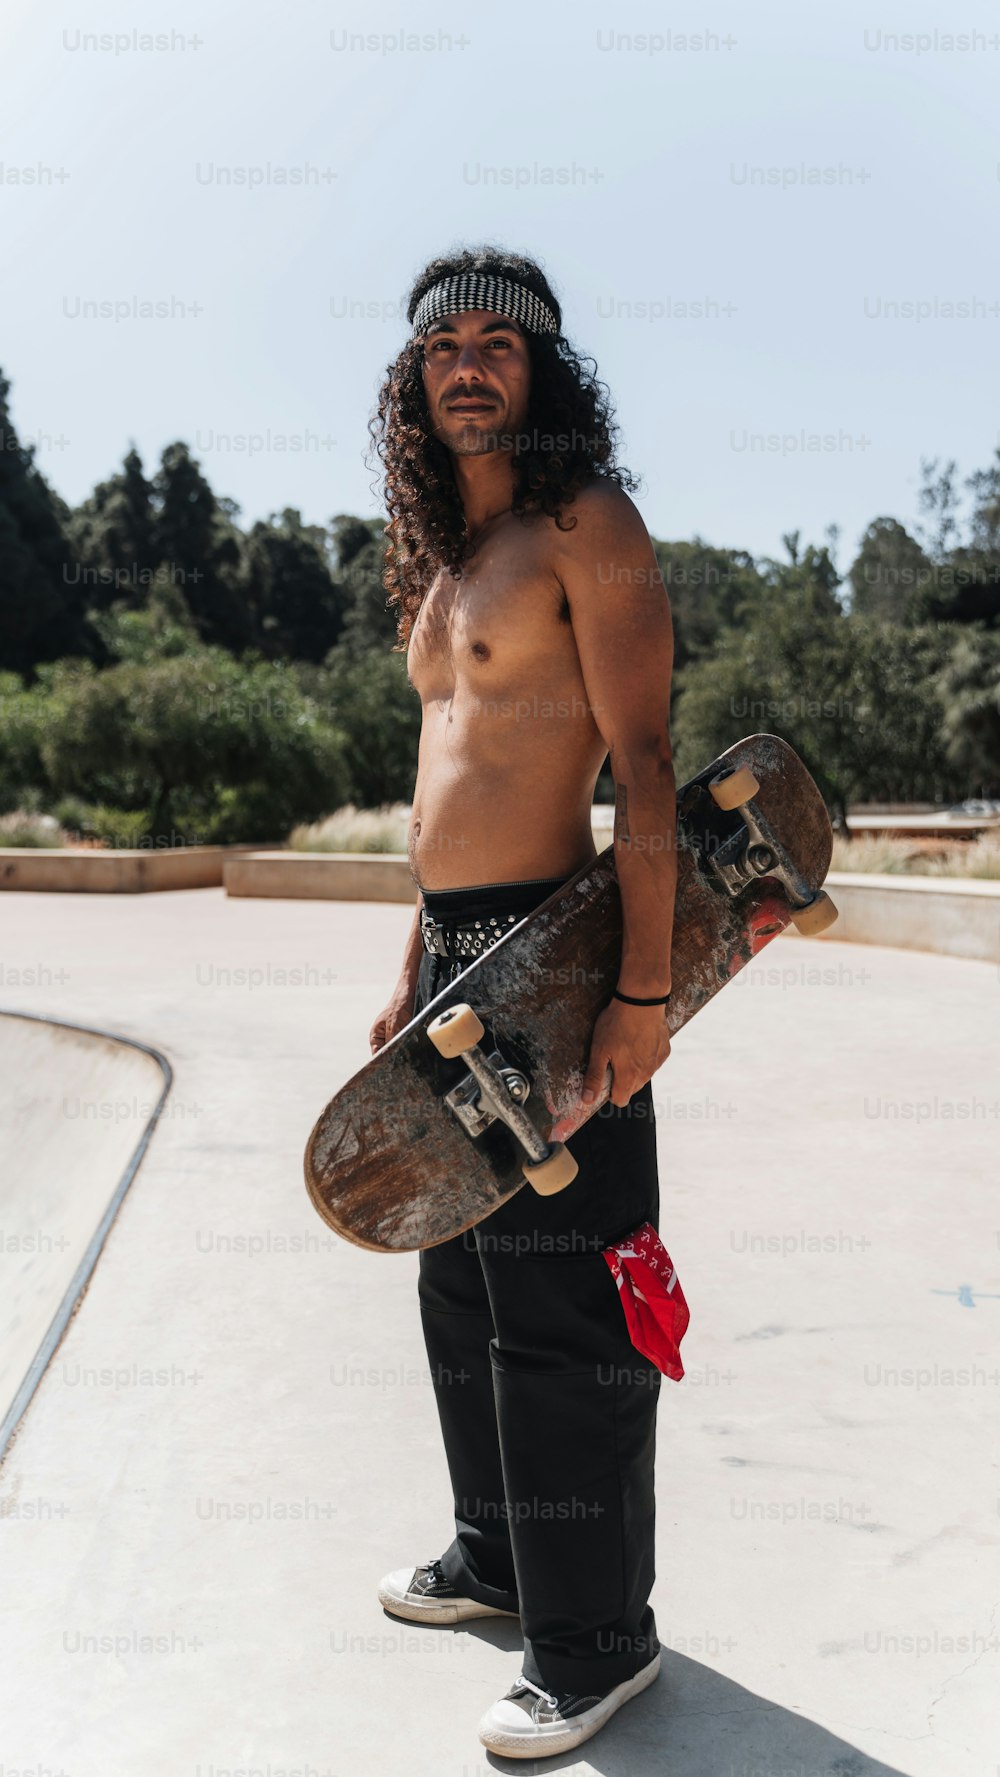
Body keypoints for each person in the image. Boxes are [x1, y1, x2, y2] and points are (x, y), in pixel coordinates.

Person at [368, 246, 678, 1759]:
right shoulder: (439, 559)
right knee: (461, 1281)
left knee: (567, 1303)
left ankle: (601, 1639)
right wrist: (406, 967)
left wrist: (641, 990)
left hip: (558, 956)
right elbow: (445, 775)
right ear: (416, 383)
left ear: (544, 371)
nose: (470, 367)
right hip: (449, 957)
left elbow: (649, 768)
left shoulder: (586, 528)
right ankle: (499, 1547)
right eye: (445, 350)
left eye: (501, 344)